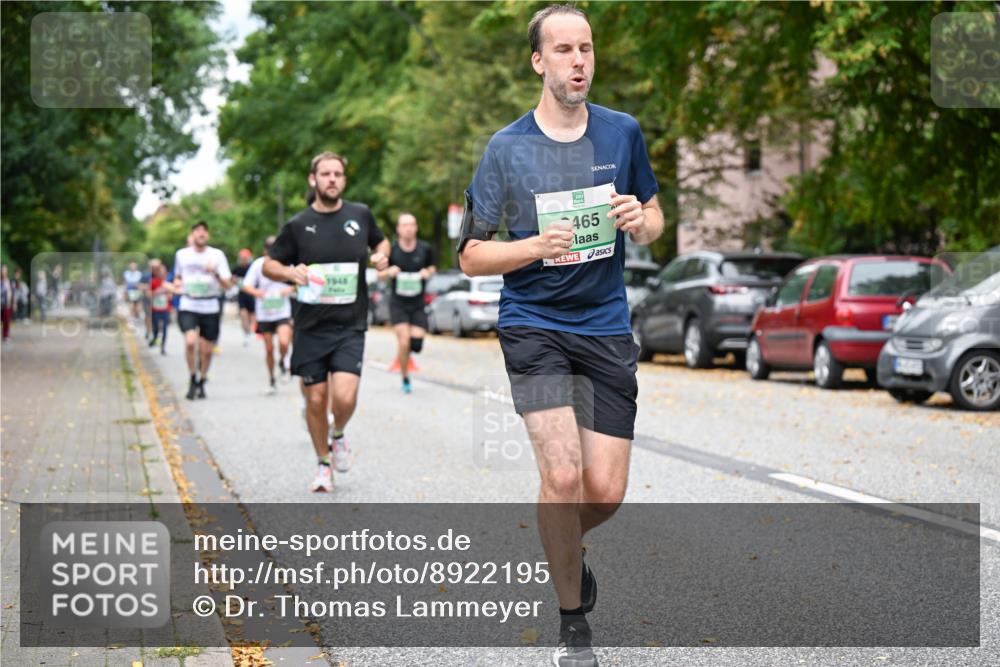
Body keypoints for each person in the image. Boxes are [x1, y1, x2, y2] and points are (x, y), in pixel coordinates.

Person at [457, 6, 664, 666]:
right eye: (565, 50)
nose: (580, 60)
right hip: (534, 325)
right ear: (538, 62)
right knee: (564, 473)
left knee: (604, 491)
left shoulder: (622, 134)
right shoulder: (506, 148)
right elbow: (469, 255)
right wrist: (533, 246)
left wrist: (640, 217)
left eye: (587, 48)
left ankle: (566, 549)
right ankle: (573, 625)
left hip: (605, 328)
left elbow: (656, 216)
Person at [264, 151, 389, 492]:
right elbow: (268, 266)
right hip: (310, 327)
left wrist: (381, 256)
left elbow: (380, 241)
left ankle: (338, 434)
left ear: (343, 181)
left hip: (350, 325)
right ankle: (322, 464)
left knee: (344, 399)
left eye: (338, 174)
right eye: (325, 174)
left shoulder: (360, 215)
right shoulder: (297, 224)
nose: (332, 179)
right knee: (316, 400)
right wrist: (291, 271)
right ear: (313, 179)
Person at [172, 221, 233, 400]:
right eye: (198, 230)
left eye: (204, 231)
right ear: (192, 235)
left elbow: (228, 285)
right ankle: (192, 376)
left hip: (210, 305)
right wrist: (176, 283)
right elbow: (177, 276)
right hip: (189, 304)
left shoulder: (217, 255)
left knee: (206, 351)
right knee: (191, 342)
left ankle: (202, 379)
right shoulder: (182, 255)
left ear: (208, 235)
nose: (201, 234)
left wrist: (214, 273)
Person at [378, 213, 437, 393]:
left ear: (416, 227)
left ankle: (405, 356)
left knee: (416, 345)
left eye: (411, 225)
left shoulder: (425, 249)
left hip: (418, 303)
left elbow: (433, 267)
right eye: (404, 225)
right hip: (398, 303)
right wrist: (389, 272)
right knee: (404, 342)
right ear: (398, 229)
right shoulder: (392, 251)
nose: (408, 228)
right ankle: (405, 377)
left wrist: (428, 272)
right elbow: (378, 275)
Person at [242, 236, 293, 394]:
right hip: (264, 313)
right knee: (269, 349)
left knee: (284, 342)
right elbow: (246, 285)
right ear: (266, 250)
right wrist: (258, 292)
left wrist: (288, 290)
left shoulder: (287, 262)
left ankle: (283, 363)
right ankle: (271, 379)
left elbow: (300, 282)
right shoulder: (258, 264)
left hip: (282, 310)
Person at [232, 248, 256, 346]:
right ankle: (246, 334)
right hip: (242, 295)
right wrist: (235, 281)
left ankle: (249, 332)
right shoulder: (237, 268)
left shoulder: (253, 267)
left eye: (245, 258)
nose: (244, 260)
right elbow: (231, 278)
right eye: (242, 258)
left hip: (252, 295)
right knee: (243, 315)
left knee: (251, 316)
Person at [148, 261, 173, 355]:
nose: (162, 274)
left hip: (165, 309)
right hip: (155, 309)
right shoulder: (153, 282)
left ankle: (163, 347)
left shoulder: (167, 283)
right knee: (156, 328)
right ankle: (154, 338)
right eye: (160, 272)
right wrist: (156, 293)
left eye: (164, 272)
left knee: (165, 328)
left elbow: (171, 295)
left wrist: (169, 294)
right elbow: (148, 294)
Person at [1, 265, 12, 343]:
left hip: (6, 304)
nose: (3, 272)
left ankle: (5, 336)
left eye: (5, 271)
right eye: (2, 271)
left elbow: (9, 292)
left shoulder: (7, 281)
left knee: (6, 321)